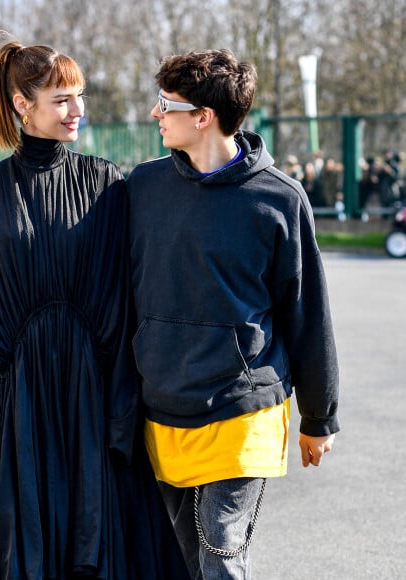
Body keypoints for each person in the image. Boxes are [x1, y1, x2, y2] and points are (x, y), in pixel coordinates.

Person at [0, 40, 189, 580]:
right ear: (22, 104)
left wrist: (130, 406)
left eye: (81, 96)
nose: (78, 111)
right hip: (8, 414)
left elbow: (133, 297)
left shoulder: (107, 184)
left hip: (94, 399)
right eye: (62, 99)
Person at [127, 49, 340, 579]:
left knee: (220, 553)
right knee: (178, 558)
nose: (156, 114)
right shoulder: (143, 188)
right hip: (163, 406)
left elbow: (307, 314)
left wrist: (320, 417)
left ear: (203, 116)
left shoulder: (279, 199)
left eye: (165, 104)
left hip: (242, 409)